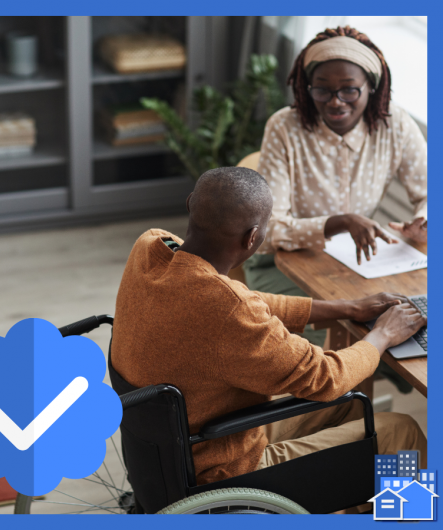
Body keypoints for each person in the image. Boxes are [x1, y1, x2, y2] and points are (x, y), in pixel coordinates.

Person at [111, 167, 427, 492]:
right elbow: (325, 376)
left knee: (348, 403)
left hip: (172, 450)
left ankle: (346, 498)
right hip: (225, 468)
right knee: (399, 431)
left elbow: (240, 300)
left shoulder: (150, 247)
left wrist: (348, 307)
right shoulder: (228, 309)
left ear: (191, 203)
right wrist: (385, 334)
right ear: (252, 237)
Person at [245, 26, 427, 368]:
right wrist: (338, 223)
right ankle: (330, 400)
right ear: (305, 86)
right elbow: (268, 230)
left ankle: (361, 390)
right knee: (313, 357)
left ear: (372, 88)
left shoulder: (395, 124)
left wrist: (424, 220)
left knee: (407, 313)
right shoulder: (285, 128)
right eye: (322, 91)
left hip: (361, 264)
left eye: (349, 91)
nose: (334, 101)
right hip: (282, 263)